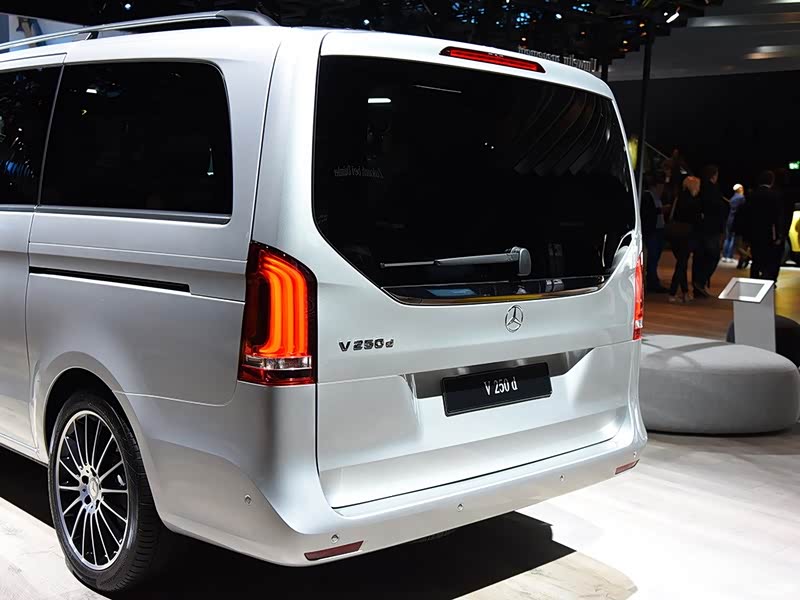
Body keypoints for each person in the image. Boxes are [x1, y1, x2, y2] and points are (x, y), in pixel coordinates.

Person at [692, 165, 726, 298]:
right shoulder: (713, 190)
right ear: (714, 175)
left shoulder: (699, 188)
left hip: (700, 228)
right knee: (712, 256)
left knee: (699, 257)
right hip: (711, 229)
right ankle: (700, 282)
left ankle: (698, 285)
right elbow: (718, 209)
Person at [668, 176, 702, 303]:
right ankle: (672, 293)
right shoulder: (694, 201)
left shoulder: (679, 198)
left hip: (675, 234)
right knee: (681, 264)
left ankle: (685, 292)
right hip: (687, 236)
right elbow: (697, 220)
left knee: (681, 264)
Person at [746, 170, 784, 281]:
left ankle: (754, 279)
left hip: (754, 232)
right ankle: (766, 280)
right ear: (772, 181)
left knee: (756, 259)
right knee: (769, 259)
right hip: (768, 232)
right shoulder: (775, 195)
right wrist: (778, 235)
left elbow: (746, 215)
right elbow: (777, 217)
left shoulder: (752, 195)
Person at [640, 172, 669, 292]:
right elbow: (647, 213)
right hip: (653, 231)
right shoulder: (648, 196)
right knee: (653, 257)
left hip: (658, 230)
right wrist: (660, 210)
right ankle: (652, 282)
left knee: (655, 257)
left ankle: (653, 280)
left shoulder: (656, 197)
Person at [722, 184, 746, 262]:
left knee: (727, 238)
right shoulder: (741, 198)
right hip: (735, 220)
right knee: (732, 238)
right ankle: (729, 256)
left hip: (729, 218)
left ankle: (724, 255)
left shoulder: (733, 198)